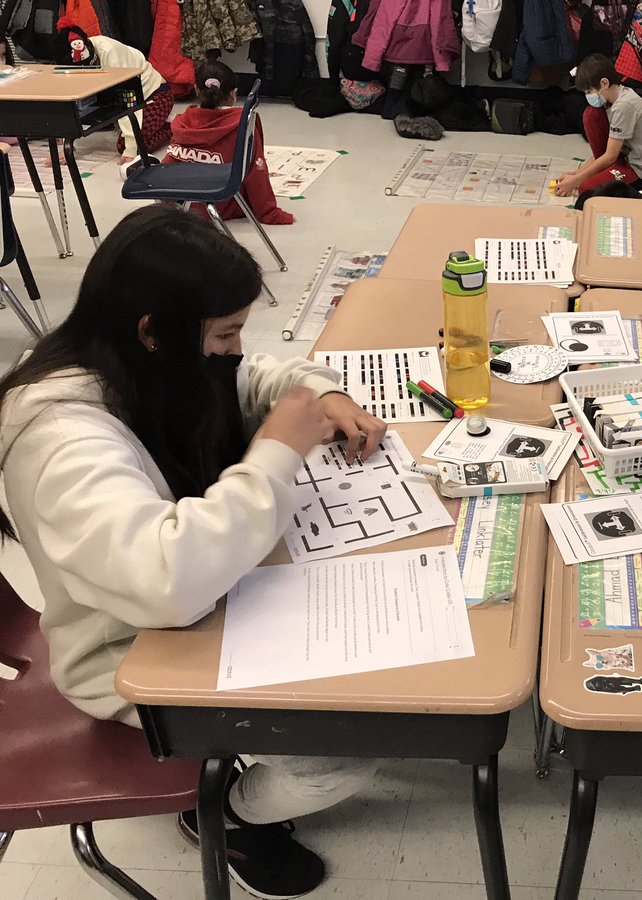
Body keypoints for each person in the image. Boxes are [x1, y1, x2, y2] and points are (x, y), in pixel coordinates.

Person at [0, 206, 388, 898]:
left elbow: (253, 376)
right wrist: (275, 452)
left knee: (375, 646)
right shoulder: (60, 435)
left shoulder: (136, 357)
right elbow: (168, 580)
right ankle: (225, 817)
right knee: (347, 750)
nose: (238, 348)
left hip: (208, 603)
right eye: (226, 332)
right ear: (154, 330)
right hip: (131, 650)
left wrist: (320, 396)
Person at [162, 60, 296, 226]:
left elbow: (169, 164)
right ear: (234, 94)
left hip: (184, 206)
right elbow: (255, 171)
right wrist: (269, 213)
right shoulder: (244, 123)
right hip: (221, 201)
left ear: (196, 90)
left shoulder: (181, 122)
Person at [52, 17, 174, 162]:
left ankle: (171, 128)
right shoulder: (67, 63)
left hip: (155, 95)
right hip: (112, 97)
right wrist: (68, 146)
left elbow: (127, 98)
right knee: (87, 117)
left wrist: (130, 148)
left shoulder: (111, 52)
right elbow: (71, 101)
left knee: (128, 146)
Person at [552, 53, 642, 207]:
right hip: (625, 157)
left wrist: (576, 181)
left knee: (586, 189)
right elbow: (608, 153)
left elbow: (610, 156)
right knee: (591, 113)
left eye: (589, 91)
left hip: (640, 170)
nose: (587, 96)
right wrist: (576, 175)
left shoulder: (623, 106)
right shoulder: (614, 98)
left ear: (604, 83)